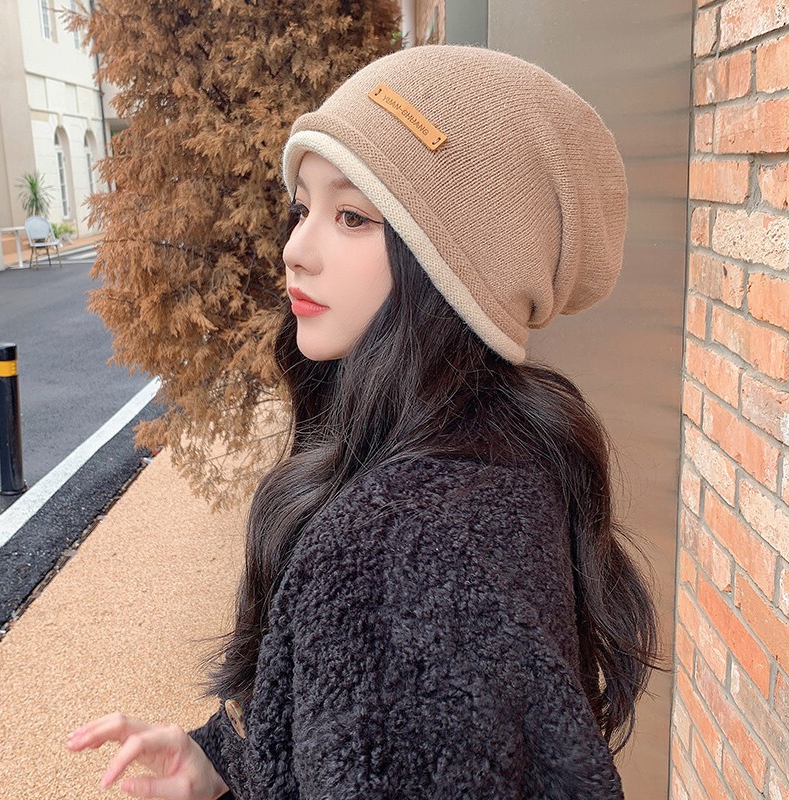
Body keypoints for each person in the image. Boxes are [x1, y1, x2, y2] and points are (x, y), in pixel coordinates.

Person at [67, 44, 660, 799]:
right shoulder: (504, 449)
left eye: (352, 216)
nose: (296, 249)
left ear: (460, 265)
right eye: (303, 207)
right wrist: (226, 765)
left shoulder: (395, 553)